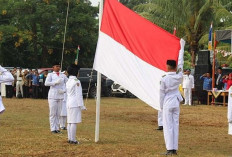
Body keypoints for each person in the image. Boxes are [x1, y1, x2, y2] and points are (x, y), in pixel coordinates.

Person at [160, 60, 183, 155]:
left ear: (168, 66)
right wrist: (181, 48)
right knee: (175, 125)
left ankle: (169, 148)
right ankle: (174, 149)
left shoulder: (164, 78)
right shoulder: (179, 77)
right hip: (176, 102)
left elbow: (161, 93)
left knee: (168, 126)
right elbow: (181, 65)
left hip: (167, 103)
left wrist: (160, 106)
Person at [45, 62, 68, 133]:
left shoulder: (63, 75)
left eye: (59, 66)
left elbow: (68, 83)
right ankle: (52, 128)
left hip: (60, 95)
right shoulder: (50, 75)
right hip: (52, 95)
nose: (58, 67)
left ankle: (57, 128)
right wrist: (55, 82)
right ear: (53, 67)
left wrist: (64, 91)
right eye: (56, 66)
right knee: (53, 113)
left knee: (58, 113)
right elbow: (46, 83)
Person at [66, 64, 86, 144]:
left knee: (70, 122)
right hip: (74, 103)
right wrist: (82, 105)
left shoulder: (68, 81)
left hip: (69, 102)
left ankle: (70, 138)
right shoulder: (77, 81)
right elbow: (78, 95)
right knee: (73, 122)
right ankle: (73, 140)